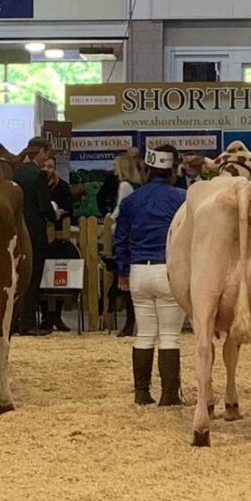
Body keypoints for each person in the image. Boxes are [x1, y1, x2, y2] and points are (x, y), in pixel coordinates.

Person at [114, 144, 186, 406]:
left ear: (147, 168)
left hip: (137, 270)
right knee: (169, 335)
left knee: (144, 333)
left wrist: (122, 270)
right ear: (172, 170)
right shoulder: (181, 198)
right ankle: (169, 394)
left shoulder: (131, 199)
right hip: (167, 270)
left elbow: (120, 238)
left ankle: (142, 392)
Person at [12, 136, 57, 336]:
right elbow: (43, 205)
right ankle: (28, 323)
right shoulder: (37, 175)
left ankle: (12, 322)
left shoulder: (15, 172)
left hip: (15, 231)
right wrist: (53, 214)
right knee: (31, 278)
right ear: (40, 152)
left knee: (14, 280)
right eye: (46, 153)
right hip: (34, 233)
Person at [109, 148, 142, 338]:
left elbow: (120, 211)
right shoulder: (137, 185)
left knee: (123, 280)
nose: (113, 168)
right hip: (136, 235)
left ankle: (129, 323)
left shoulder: (124, 186)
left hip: (125, 236)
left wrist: (108, 221)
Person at [39, 154, 74, 333]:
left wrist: (60, 212)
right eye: (44, 166)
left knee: (59, 276)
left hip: (59, 236)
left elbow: (70, 206)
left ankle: (57, 315)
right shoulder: (38, 185)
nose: (47, 169)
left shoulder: (62, 186)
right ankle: (45, 315)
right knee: (42, 276)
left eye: (50, 166)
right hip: (41, 236)